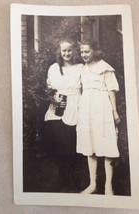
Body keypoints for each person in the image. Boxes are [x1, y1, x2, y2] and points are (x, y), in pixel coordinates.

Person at [76, 39, 120, 195]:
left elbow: (111, 91)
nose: (84, 54)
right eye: (82, 52)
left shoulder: (105, 67)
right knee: (90, 147)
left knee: (107, 144)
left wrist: (114, 111)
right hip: (87, 111)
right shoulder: (82, 69)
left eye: (87, 51)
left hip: (102, 109)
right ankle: (92, 184)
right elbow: (80, 91)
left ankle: (109, 186)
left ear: (94, 50)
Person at [44, 38, 83, 192]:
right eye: (64, 50)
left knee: (72, 146)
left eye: (69, 50)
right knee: (59, 146)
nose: (66, 53)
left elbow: (85, 89)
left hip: (75, 108)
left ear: (74, 51)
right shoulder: (53, 68)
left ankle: (72, 177)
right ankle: (62, 179)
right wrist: (54, 99)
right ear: (59, 52)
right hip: (57, 109)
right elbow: (49, 90)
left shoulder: (80, 68)